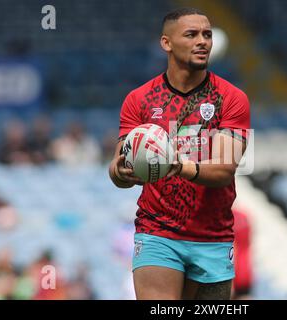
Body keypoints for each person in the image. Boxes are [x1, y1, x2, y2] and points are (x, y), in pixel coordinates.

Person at [109, 7, 250, 300]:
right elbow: (118, 167)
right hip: (157, 233)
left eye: (207, 35)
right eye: (192, 34)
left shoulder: (232, 99)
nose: (203, 41)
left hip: (213, 236)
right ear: (166, 43)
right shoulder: (139, 100)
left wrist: (175, 165)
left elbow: (224, 171)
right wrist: (120, 172)